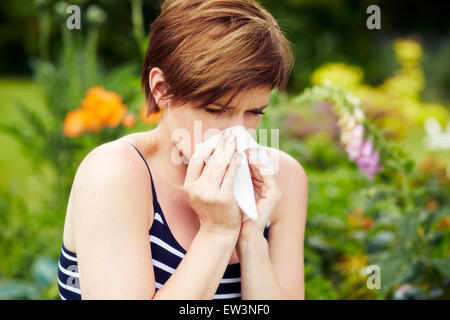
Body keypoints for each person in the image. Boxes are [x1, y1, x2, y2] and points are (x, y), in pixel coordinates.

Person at [57, 0, 307, 300]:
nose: (236, 132)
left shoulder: (283, 180)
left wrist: (251, 237)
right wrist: (216, 232)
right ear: (161, 89)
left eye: (255, 112)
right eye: (216, 110)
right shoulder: (115, 175)